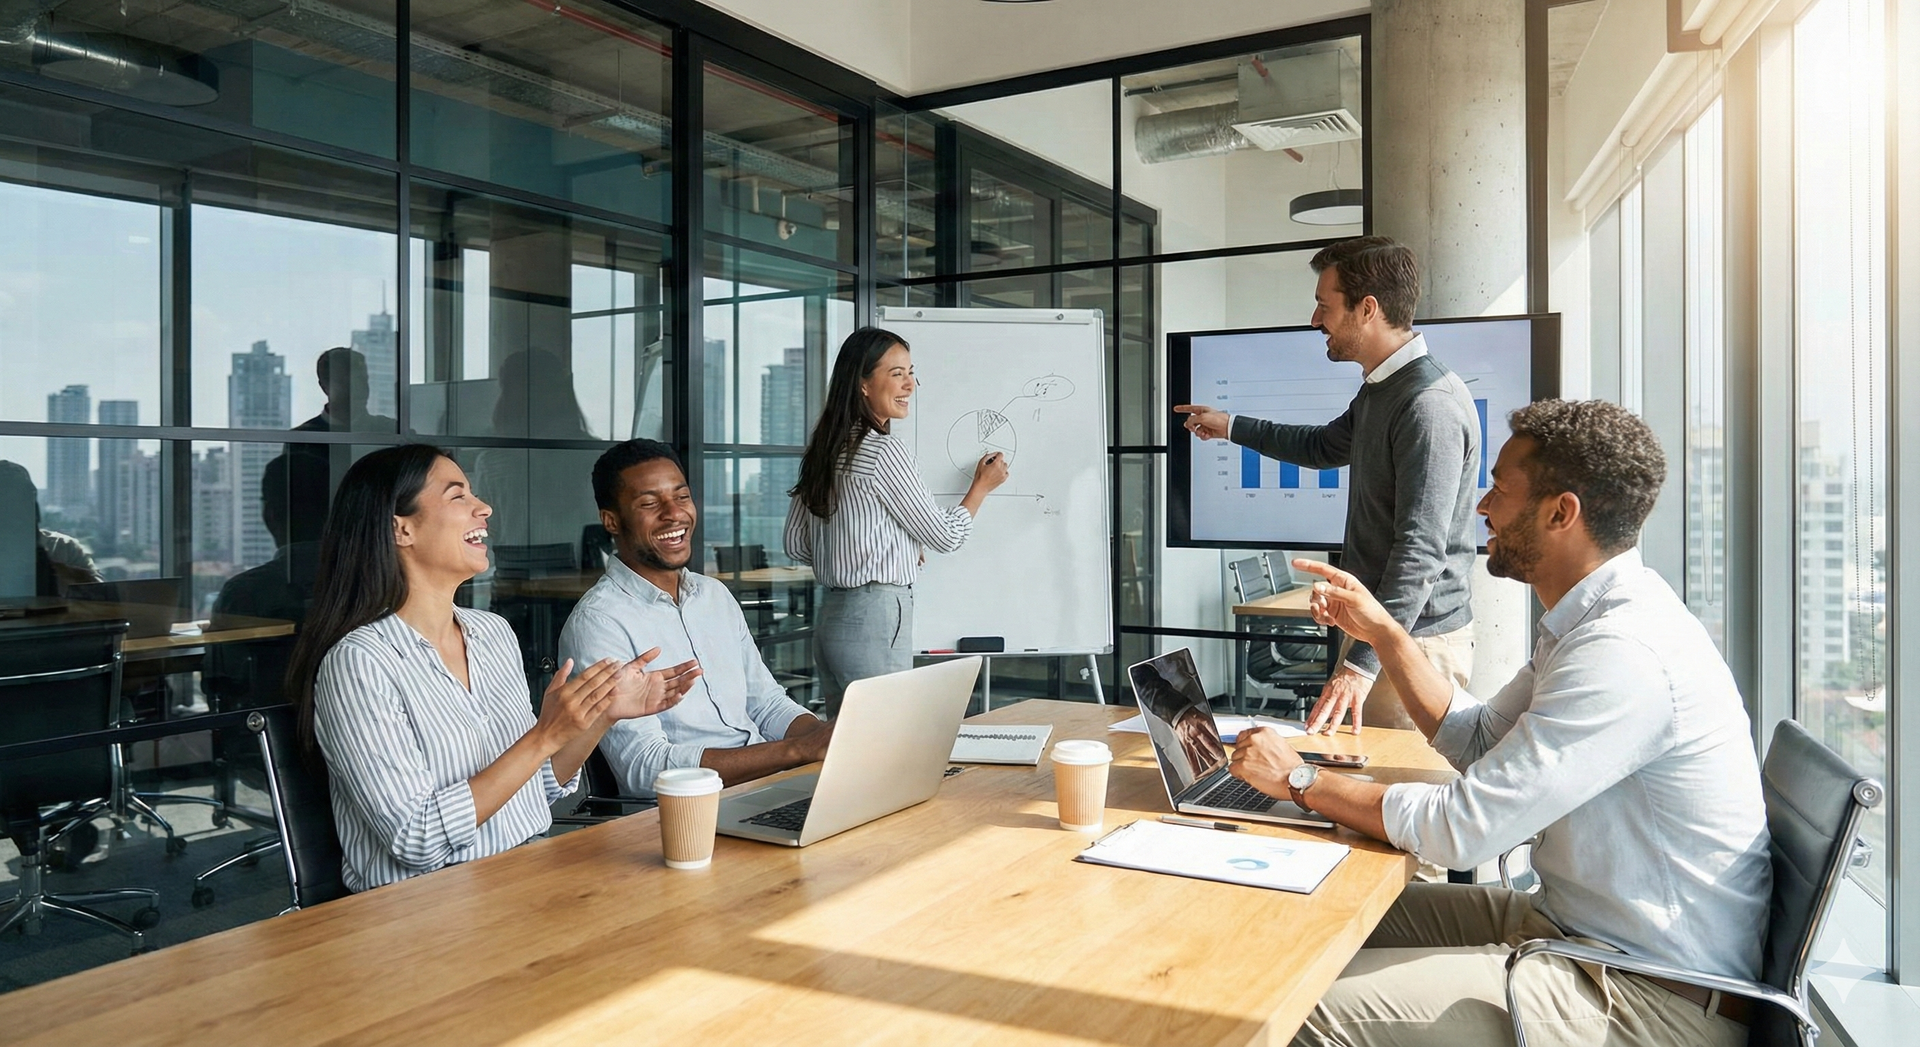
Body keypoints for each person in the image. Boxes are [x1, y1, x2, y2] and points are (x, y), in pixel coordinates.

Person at [1227, 400, 1770, 1047]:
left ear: (1560, 513)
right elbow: (1481, 740)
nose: (1482, 506)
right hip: (1568, 928)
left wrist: (1301, 779)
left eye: (1499, 490)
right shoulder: (1587, 624)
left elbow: (1460, 830)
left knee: (1290, 1007)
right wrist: (1384, 630)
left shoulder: (1623, 652)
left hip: (1644, 993)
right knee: (1311, 906)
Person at [283, 444, 697, 892]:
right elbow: (415, 839)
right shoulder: (360, 663)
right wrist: (544, 735)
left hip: (525, 877)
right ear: (400, 529)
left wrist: (601, 716)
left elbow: (535, 790)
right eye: (458, 496)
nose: (484, 507)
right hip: (423, 911)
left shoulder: (492, 634)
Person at [1176, 236, 1479, 734]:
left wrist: (1361, 664)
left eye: (1324, 306)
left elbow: (1421, 554)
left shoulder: (1428, 405)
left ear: (1367, 309)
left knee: (1391, 800)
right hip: (1383, 634)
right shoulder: (1383, 387)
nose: (1315, 321)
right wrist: (1229, 425)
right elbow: (1322, 448)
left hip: (1413, 642)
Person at [560, 439, 831, 793]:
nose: (674, 513)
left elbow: (765, 703)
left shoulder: (713, 595)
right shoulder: (599, 623)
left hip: (765, 785)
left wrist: (826, 739)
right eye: (649, 503)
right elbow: (644, 768)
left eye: (682, 496)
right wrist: (795, 751)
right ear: (611, 520)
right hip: (688, 811)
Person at [784, 327, 1010, 712]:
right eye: (897, 374)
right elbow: (945, 536)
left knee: (847, 747)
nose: (911, 384)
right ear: (864, 385)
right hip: (876, 616)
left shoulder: (825, 450)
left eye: (911, 372)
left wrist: (892, 543)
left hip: (832, 618)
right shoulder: (884, 451)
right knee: (887, 740)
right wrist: (981, 488)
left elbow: (796, 544)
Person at [293, 347, 399, 433]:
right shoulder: (303, 438)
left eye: (362, 380)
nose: (358, 388)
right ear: (325, 387)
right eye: (346, 383)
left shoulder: (392, 430)